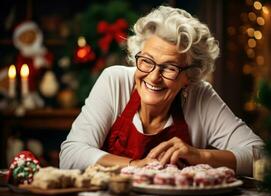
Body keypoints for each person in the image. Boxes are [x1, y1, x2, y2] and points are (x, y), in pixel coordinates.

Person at [60, 5, 263, 176]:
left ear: (189, 77)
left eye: (170, 68)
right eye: (147, 61)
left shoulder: (199, 95)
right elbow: (71, 155)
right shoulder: (115, 81)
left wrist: (201, 156)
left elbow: (260, 155)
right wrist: (135, 167)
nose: (154, 76)